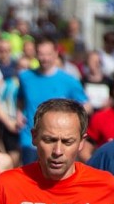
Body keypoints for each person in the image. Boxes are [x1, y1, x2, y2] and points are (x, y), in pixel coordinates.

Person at [15, 38, 87, 166]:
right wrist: (19, 114)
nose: (45, 58)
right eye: (41, 54)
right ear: (35, 54)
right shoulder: (25, 77)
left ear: (55, 54)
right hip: (30, 138)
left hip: (56, 140)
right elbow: (20, 98)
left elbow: (85, 105)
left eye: (48, 54)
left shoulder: (69, 80)